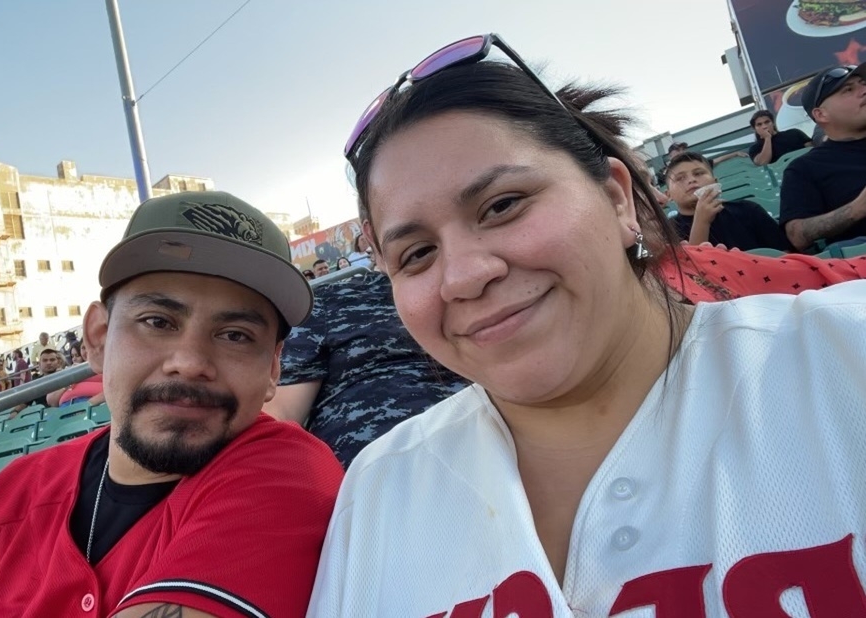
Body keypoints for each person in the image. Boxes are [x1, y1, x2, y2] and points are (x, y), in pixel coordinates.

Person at [307, 34, 866, 616]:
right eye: (417, 254)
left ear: (618, 198)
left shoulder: (845, 356)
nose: (464, 277)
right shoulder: (380, 491)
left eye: (502, 205)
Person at [0, 191, 343, 618]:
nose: (190, 363)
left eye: (235, 335)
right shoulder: (13, 493)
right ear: (98, 338)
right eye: (158, 322)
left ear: (273, 369)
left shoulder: (291, 470)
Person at [266, 268, 469, 468]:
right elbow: (280, 414)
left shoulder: (461, 286)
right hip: (376, 470)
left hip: (474, 442)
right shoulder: (331, 299)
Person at [780, 63, 866, 252]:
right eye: (848, 89)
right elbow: (796, 234)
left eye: (863, 84)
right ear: (821, 114)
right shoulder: (804, 168)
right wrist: (856, 209)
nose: (864, 90)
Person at [664, 152, 790, 250]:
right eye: (680, 178)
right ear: (668, 195)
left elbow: (784, 253)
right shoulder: (665, 232)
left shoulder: (748, 210)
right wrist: (701, 221)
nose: (691, 180)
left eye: (698, 173)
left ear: (715, 181)